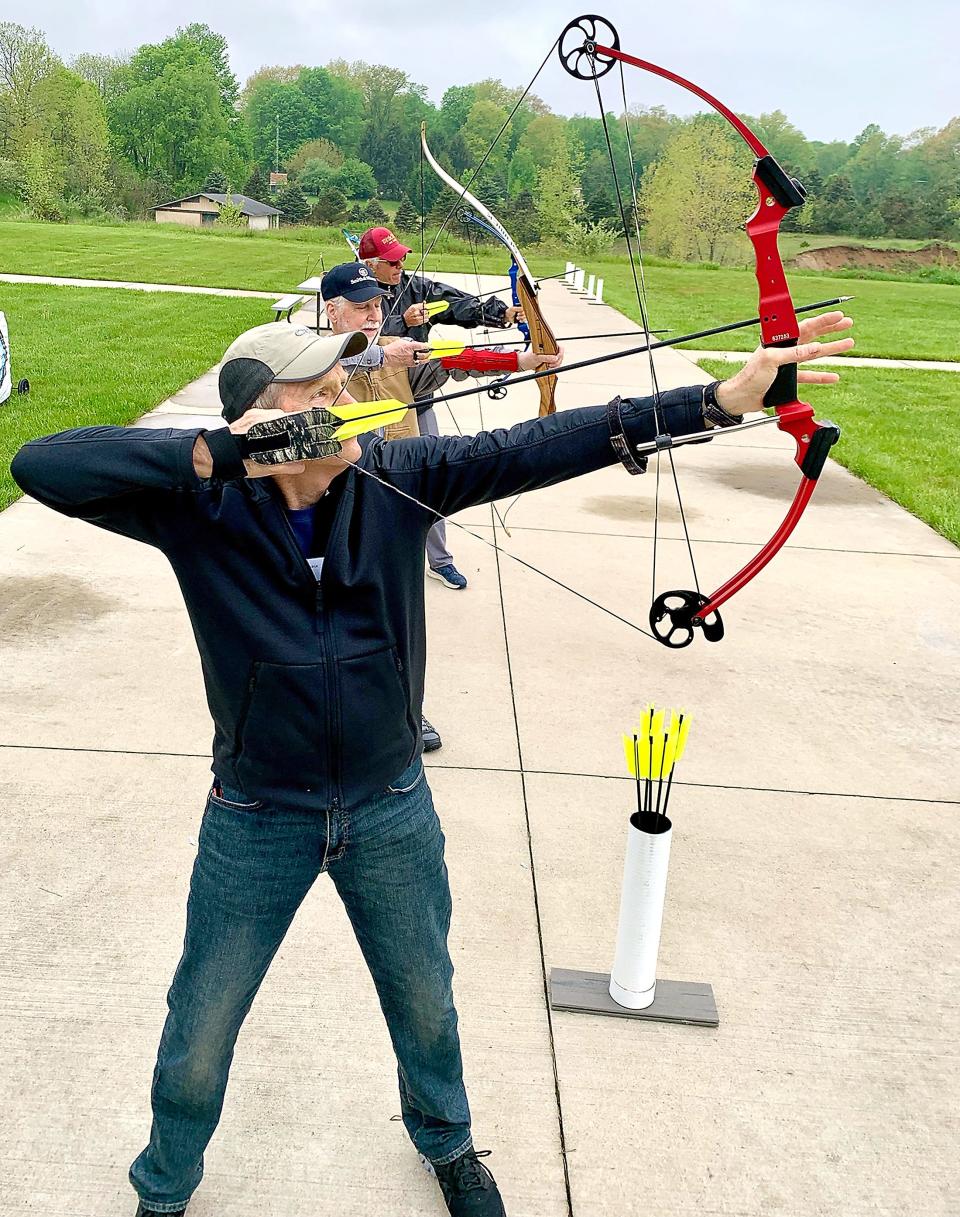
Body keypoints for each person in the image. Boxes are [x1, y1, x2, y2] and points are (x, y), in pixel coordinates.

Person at [10, 309, 854, 1217]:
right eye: (323, 395)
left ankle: (448, 1145)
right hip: (256, 812)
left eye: (347, 387)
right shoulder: (199, 509)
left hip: (390, 805)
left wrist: (716, 400)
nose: (350, 403)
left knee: (426, 1003)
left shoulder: (398, 476)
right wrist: (217, 457)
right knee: (201, 1026)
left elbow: (545, 441)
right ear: (261, 421)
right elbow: (41, 465)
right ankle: (165, 1187)